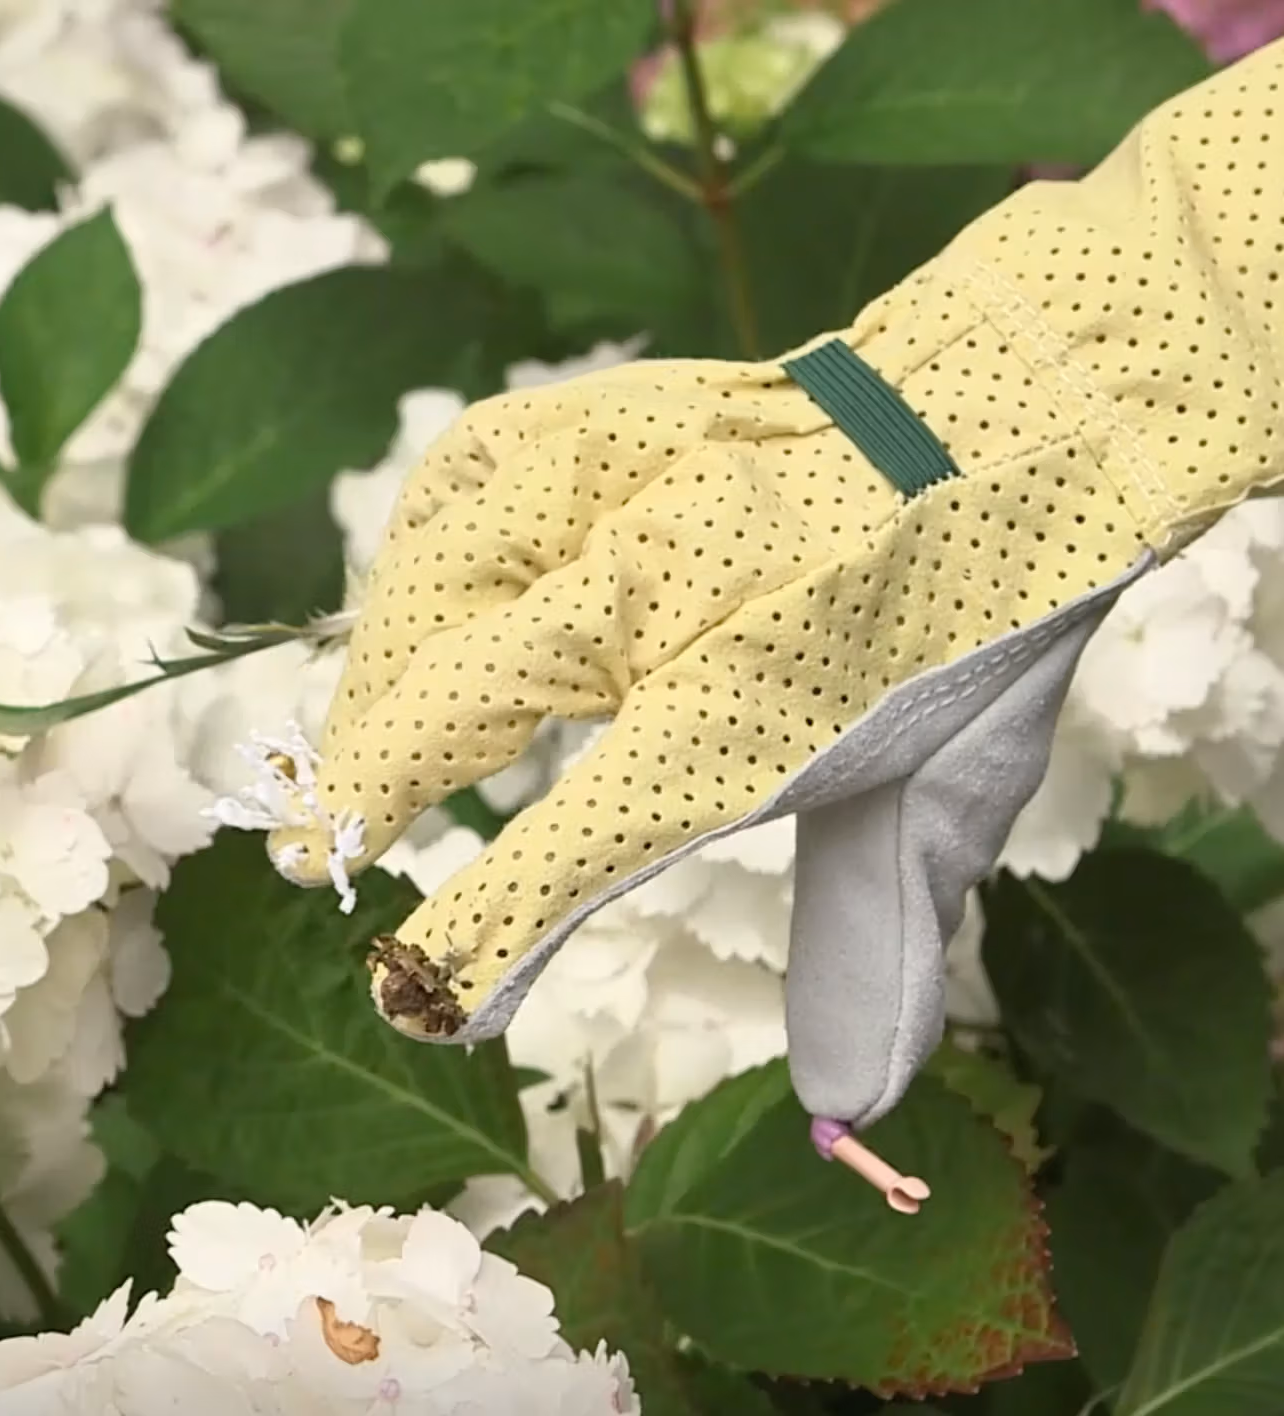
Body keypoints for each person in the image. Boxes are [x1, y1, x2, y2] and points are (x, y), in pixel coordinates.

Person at [271, 37, 1284, 1200]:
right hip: (892, 401)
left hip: (938, 434)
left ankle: (345, 795)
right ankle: (349, 777)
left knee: (522, 512)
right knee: (500, 476)